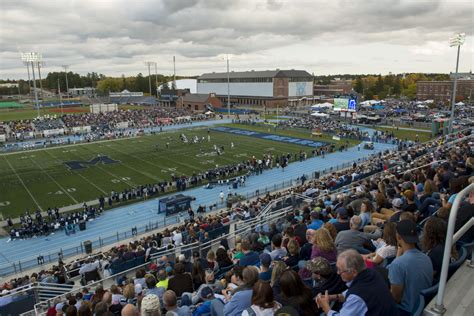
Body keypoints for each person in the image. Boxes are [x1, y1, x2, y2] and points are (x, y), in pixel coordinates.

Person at [315, 249, 399, 315]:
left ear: (354, 272)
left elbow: (356, 297)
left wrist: (325, 306)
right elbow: (351, 294)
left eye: (340, 270)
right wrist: (332, 297)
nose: (338, 273)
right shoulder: (373, 273)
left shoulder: (357, 296)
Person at [388, 220, 433, 315]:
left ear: (398, 236)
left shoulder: (397, 264)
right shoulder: (427, 258)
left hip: (406, 311)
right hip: (423, 305)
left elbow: (395, 298)